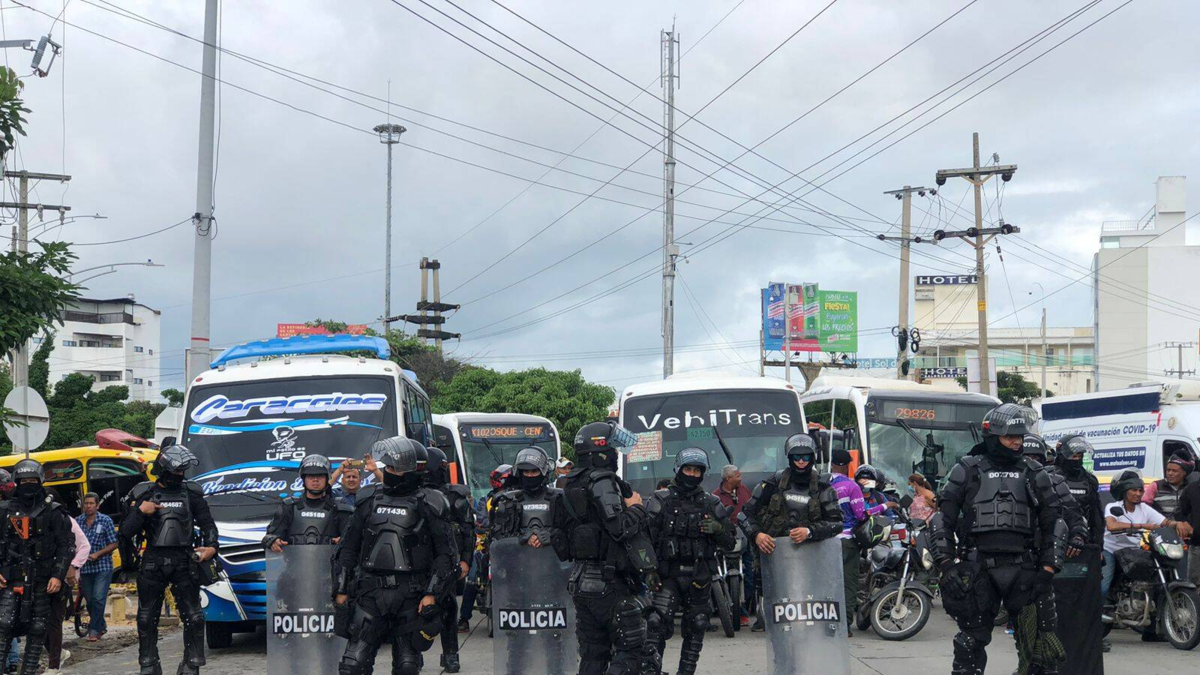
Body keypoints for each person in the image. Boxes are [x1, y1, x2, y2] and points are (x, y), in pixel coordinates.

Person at [929, 403, 1068, 675]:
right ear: (993, 436)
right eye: (1010, 437)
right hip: (977, 566)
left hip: (1025, 568)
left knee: (1039, 649)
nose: (1017, 442)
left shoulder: (1035, 472)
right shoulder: (966, 469)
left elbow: (1054, 522)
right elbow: (942, 520)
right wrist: (946, 565)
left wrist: (1048, 569)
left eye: (1020, 437)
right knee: (969, 643)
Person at [334, 437, 458, 675]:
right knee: (353, 665)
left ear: (413, 470)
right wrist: (340, 589)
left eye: (395, 468)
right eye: (388, 467)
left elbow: (446, 554)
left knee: (407, 666)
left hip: (411, 593)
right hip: (369, 591)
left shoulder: (431, 502)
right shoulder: (368, 498)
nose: (390, 472)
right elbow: (348, 548)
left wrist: (432, 593)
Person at [550, 421, 658, 675]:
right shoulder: (602, 481)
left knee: (593, 654)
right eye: (612, 448)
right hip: (610, 581)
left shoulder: (570, 484)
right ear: (601, 450)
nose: (616, 454)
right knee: (632, 651)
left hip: (580, 580)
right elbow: (619, 528)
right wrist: (637, 507)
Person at [121, 445, 219, 675]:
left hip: (184, 559)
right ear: (164, 470)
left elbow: (208, 525)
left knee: (194, 617)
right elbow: (125, 532)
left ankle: (191, 664)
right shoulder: (144, 494)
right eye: (176, 471)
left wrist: (212, 547)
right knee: (146, 618)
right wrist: (140, 512)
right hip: (153, 559)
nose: (180, 475)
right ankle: (149, 664)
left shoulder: (191, 494)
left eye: (182, 471)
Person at [739, 434, 842, 632]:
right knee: (775, 618)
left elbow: (837, 523)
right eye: (797, 457)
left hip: (811, 559)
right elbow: (745, 514)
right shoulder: (773, 484)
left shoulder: (823, 488)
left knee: (809, 619)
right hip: (774, 557)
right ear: (790, 458)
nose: (801, 462)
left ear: (812, 458)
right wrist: (757, 535)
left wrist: (810, 532)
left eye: (805, 457)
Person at [645, 448, 734, 675]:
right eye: (688, 469)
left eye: (697, 470)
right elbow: (644, 540)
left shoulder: (711, 503)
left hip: (699, 575)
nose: (692, 474)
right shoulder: (660, 500)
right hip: (667, 574)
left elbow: (730, 542)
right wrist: (648, 570)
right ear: (678, 469)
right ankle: (652, 670)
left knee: (698, 623)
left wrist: (718, 529)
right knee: (655, 622)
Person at [490, 447, 566, 671]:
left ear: (543, 472)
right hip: (518, 581)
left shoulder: (559, 499)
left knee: (554, 640)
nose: (530, 476)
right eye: (526, 472)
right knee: (517, 642)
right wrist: (521, 539)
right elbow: (496, 541)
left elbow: (573, 534)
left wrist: (551, 537)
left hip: (553, 579)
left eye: (534, 472)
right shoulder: (507, 501)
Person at [0, 460, 75, 675]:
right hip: (10, 578)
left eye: (32, 480)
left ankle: (30, 670)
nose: (28, 485)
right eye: (23, 481)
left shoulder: (54, 511)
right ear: (17, 482)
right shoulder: (4, 510)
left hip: (43, 579)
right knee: (4, 625)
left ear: (40, 481)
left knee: (38, 628)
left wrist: (58, 575)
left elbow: (66, 545)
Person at [1046, 435, 1106, 668]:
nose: (1077, 459)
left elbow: (1096, 517)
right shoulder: (1048, 476)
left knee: (1085, 600)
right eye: (1073, 455)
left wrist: (1098, 548)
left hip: (1084, 549)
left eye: (1080, 455)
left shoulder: (1089, 480)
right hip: (1054, 546)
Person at [1101, 471, 1183, 617]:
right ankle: (1098, 613)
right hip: (1111, 549)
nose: (1138, 494)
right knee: (1104, 585)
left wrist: (1179, 524)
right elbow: (1112, 525)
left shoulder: (1144, 508)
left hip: (1132, 549)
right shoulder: (1113, 506)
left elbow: (1165, 522)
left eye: (1140, 490)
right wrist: (1143, 525)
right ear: (1125, 491)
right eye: (1134, 490)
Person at [421, 446, 474, 674]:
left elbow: (468, 530)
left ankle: (451, 654)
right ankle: (413, 653)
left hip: (448, 560)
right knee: (412, 610)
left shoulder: (454, 496)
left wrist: (466, 560)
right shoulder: (414, 494)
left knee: (448, 608)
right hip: (419, 560)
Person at [458, 463, 514, 632]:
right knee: (472, 579)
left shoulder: (517, 499)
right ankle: (464, 618)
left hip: (511, 547)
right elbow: (481, 521)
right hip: (487, 546)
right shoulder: (486, 500)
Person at [263, 454, 351, 552]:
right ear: (303, 479)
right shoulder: (289, 507)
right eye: (310, 476)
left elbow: (355, 542)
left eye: (320, 476)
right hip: (294, 562)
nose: (315, 480)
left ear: (327, 478)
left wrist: (346, 541)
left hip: (330, 562)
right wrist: (273, 541)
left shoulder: (339, 508)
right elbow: (269, 536)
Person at [829, 448, 868, 635]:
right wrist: (883, 507)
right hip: (847, 541)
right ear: (847, 465)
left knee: (828, 581)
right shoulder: (852, 486)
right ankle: (844, 625)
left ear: (832, 463)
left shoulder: (822, 484)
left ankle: (827, 621)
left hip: (825, 541)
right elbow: (861, 514)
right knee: (848, 583)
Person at [713, 464, 754, 626]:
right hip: (726, 540)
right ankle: (733, 609)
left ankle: (745, 606)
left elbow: (752, 508)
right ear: (728, 479)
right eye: (738, 476)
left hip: (746, 537)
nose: (741, 478)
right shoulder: (715, 497)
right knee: (722, 574)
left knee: (750, 574)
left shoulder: (744, 490)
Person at [76, 493, 118, 643]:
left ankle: (93, 630)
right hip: (85, 567)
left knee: (98, 598)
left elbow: (114, 543)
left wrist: (98, 554)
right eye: (86, 503)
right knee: (90, 601)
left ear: (97, 505)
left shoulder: (105, 520)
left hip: (102, 566)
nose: (88, 506)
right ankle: (101, 626)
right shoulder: (78, 521)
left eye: (91, 503)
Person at [1143, 453, 1194, 519]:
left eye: (1174, 471)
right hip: (1161, 524)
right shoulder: (1156, 486)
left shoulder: (1190, 488)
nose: (1170, 473)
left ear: (1184, 473)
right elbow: (1144, 507)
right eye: (1168, 470)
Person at [1173, 472, 1200, 586]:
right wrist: (1184, 523)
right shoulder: (1192, 489)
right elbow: (1179, 512)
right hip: (1197, 544)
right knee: (1194, 585)